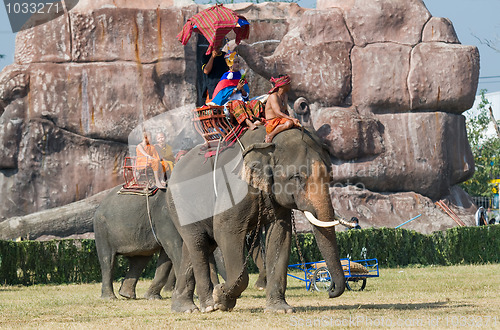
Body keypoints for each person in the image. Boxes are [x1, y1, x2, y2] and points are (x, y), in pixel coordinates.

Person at [211, 51, 264, 130]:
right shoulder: (226, 77)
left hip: (243, 102)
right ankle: (248, 123)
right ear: (229, 64)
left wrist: (242, 89)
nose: (238, 64)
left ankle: (257, 119)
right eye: (235, 62)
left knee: (256, 102)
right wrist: (236, 89)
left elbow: (246, 96)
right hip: (229, 105)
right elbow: (221, 97)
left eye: (238, 62)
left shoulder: (241, 76)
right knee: (237, 103)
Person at [264, 75, 300, 143]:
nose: (290, 85)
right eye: (289, 83)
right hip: (273, 122)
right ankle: (270, 135)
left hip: (281, 121)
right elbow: (277, 113)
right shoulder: (273, 96)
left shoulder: (285, 96)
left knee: (294, 124)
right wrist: (291, 119)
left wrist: (293, 120)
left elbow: (285, 111)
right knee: (289, 123)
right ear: (284, 85)